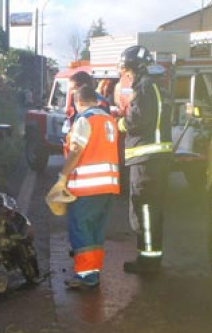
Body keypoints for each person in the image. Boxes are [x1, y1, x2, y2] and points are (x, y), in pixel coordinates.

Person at [49, 85, 121, 288]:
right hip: (108, 187)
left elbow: (76, 151)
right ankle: (93, 272)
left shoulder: (85, 120)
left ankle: (86, 277)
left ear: (78, 102)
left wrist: (63, 176)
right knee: (96, 232)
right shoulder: (109, 120)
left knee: (81, 229)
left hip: (88, 187)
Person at [116, 45, 174, 274]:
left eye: (126, 70)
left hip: (146, 160)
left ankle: (149, 262)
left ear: (134, 67)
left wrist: (121, 123)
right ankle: (150, 256)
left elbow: (138, 119)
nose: (125, 75)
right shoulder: (156, 85)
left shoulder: (145, 87)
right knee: (152, 209)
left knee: (145, 208)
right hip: (155, 159)